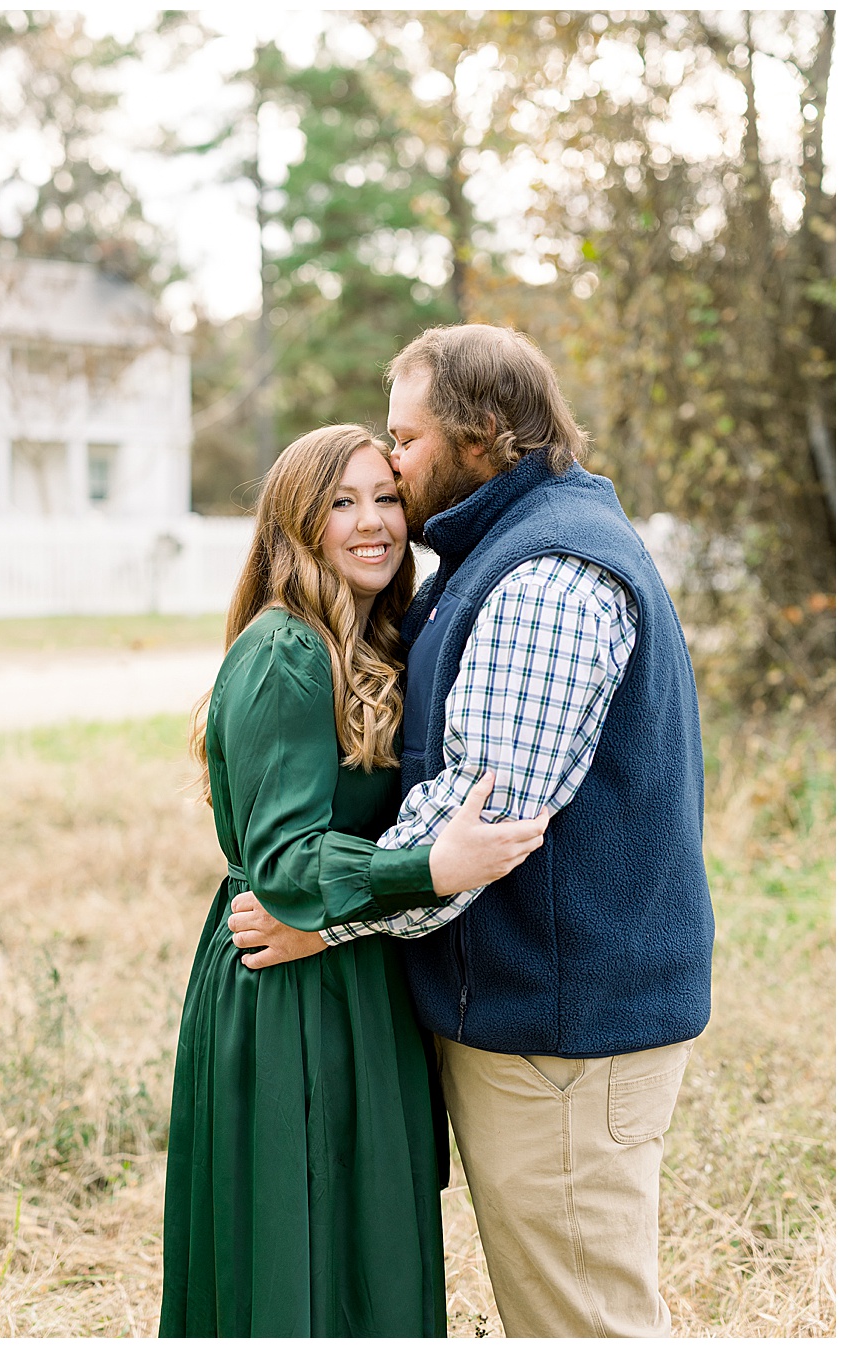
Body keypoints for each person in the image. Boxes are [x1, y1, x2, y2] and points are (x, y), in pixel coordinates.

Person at [228, 325, 712, 1337]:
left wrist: (331, 920)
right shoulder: (508, 543)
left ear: (481, 432)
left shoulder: (544, 577)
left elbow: (477, 825)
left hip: (562, 1035)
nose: (391, 467)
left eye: (404, 442)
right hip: (535, 1021)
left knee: (582, 1319)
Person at [159, 424, 551, 1337]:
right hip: (289, 986)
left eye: (385, 497)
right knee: (298, 1253)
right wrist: (430, 867)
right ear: (296, 525)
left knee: (369, 1248)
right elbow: (286, 860)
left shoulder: (375, 640)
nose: (372, 522)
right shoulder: (283, 654)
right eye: (342, 503)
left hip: (360, 974)